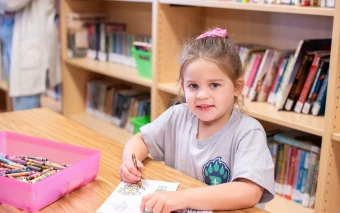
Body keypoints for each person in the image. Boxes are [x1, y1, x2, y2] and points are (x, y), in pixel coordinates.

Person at [119, 28, 274, 213]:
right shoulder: (177, 115)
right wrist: (130, 161)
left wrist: (183, 198)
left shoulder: (248, 132)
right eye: (193, 85)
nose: (202, 95)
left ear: (237, 87)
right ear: (182, 86)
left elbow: (249, 192)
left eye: (214, 85)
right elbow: (140, 140)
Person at [0, 0, 61, 111]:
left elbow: (10, 3)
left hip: (29, 49)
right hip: (16, 46)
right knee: (23, 105)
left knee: (25, 111)